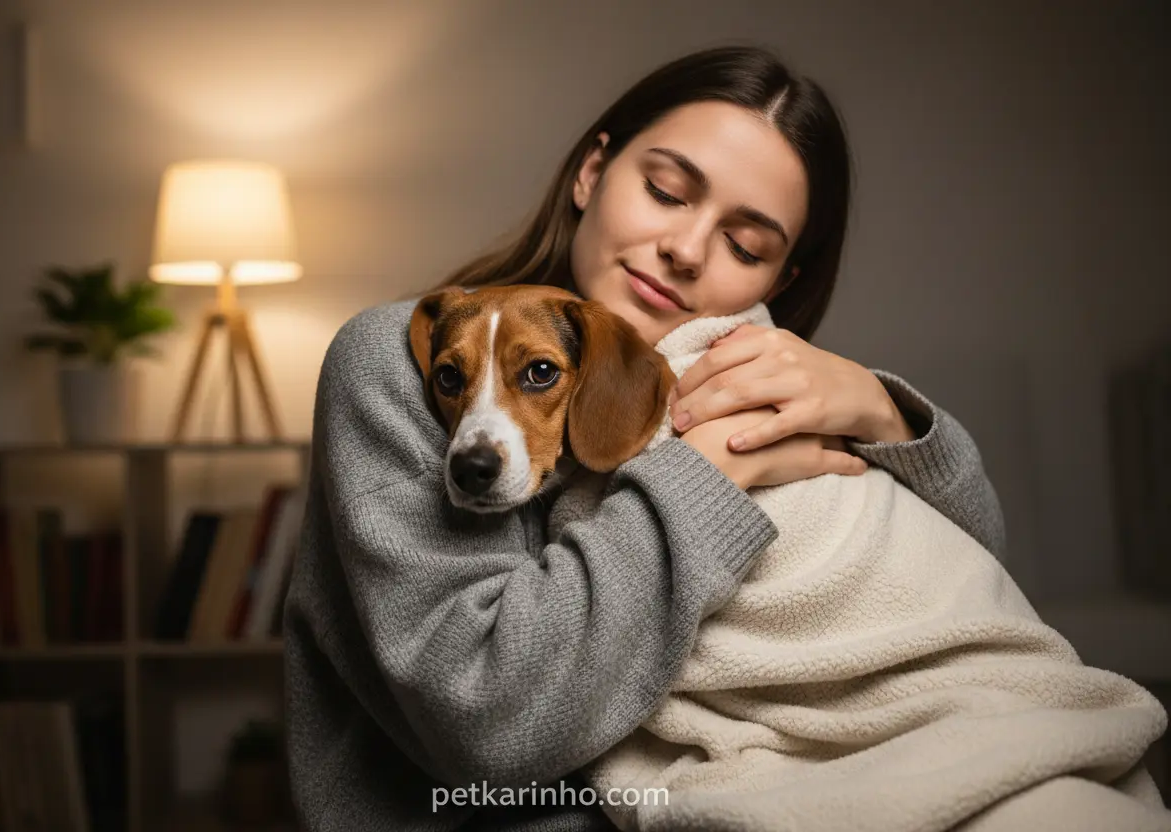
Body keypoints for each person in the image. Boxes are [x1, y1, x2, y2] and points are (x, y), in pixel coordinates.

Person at [284, 44, 1006, 831]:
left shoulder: (749, 387)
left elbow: (973, 591)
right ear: (592, 172)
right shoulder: (398, 360)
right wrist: (702, 482)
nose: (686, 251)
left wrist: (886, 414)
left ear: (776, 283)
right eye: (666, 192)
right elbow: (486, 721)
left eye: (746, 246)